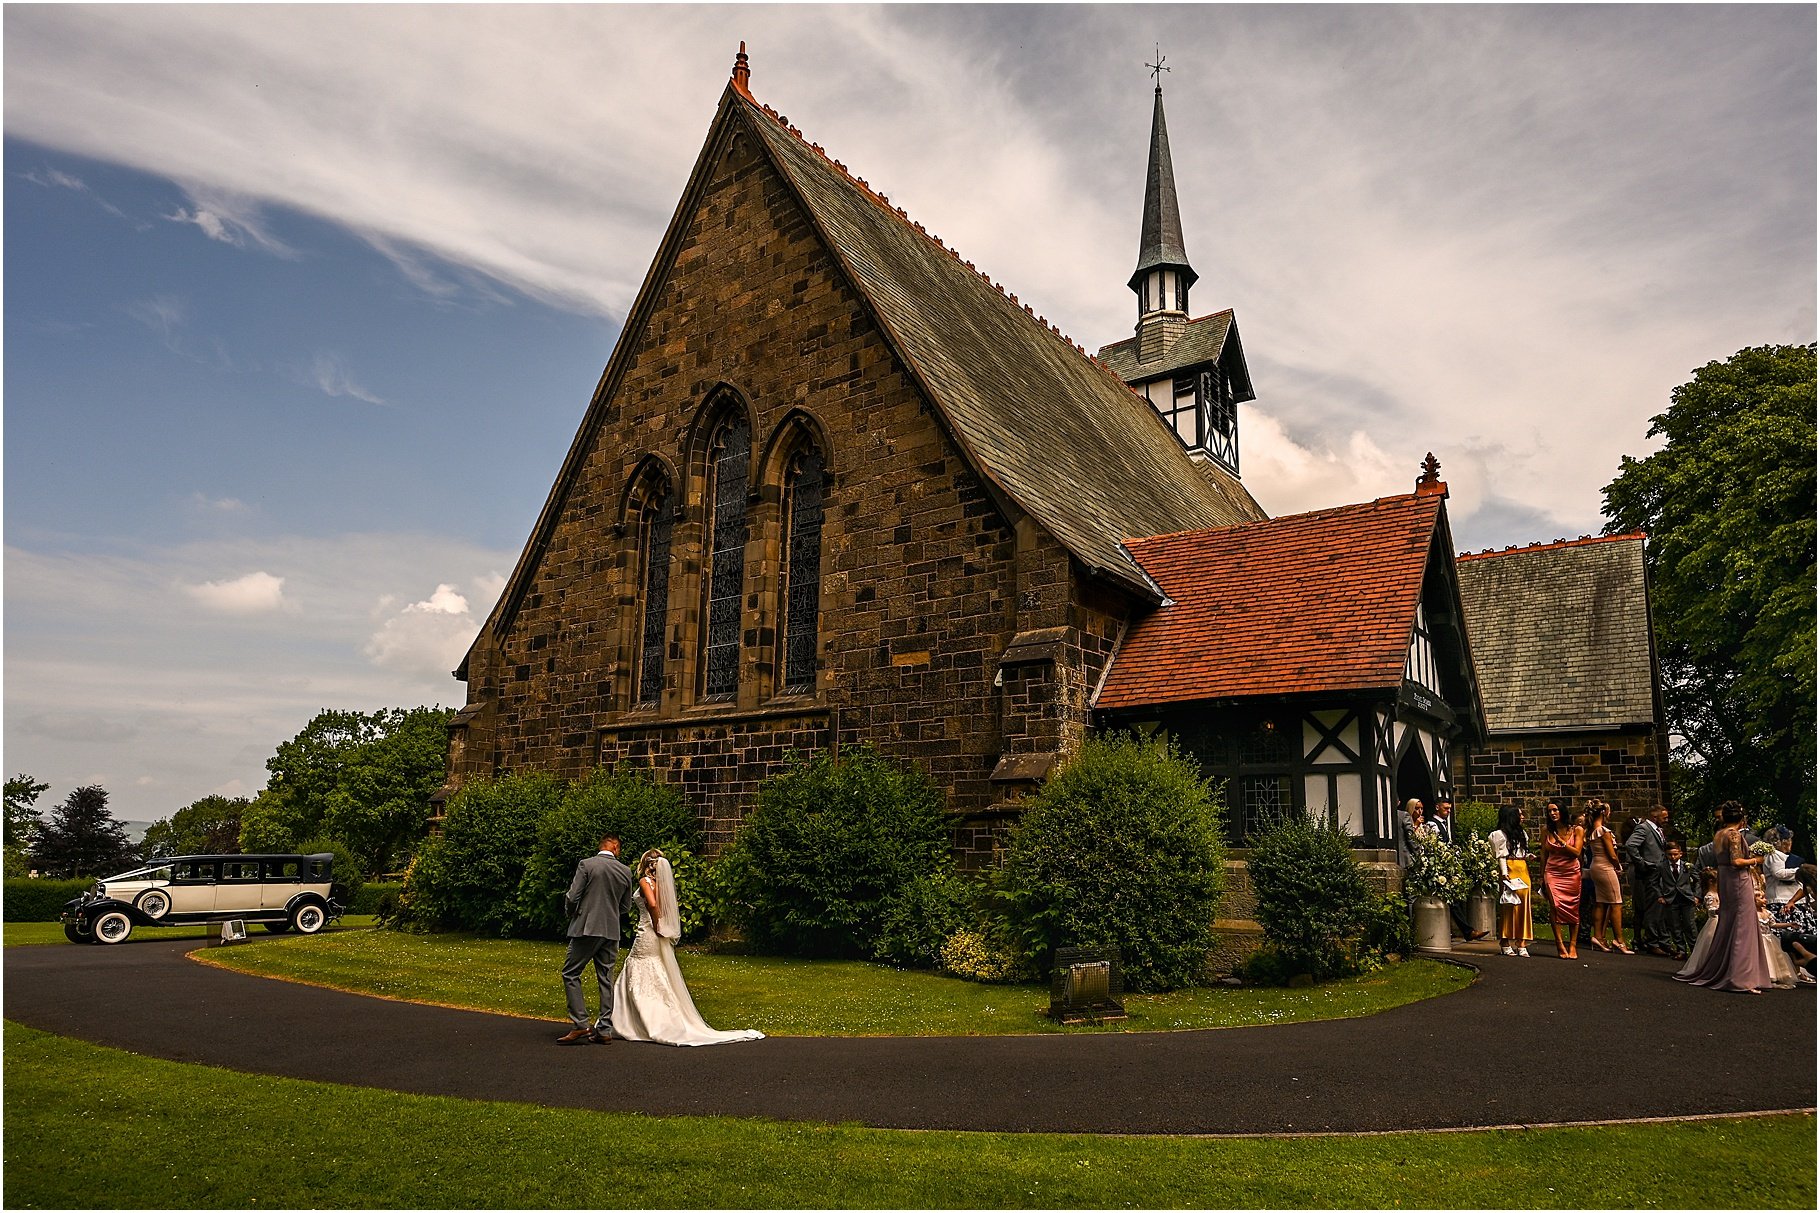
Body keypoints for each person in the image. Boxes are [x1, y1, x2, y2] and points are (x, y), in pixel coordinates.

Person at [611, 849, 765, 1046]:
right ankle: (648, 1018)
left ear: (645, 863)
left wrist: (657, 925)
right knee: (655, 970)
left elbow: (652, 904)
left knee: (639, 966)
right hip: (655, 933)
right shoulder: (659, 884)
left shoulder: (644, 882)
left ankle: (633, 1021)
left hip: (648, 932)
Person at [1675, 801, 1771, 994]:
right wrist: (1756, 860)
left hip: (1725, 879)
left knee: (1729, 923)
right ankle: (1739, 977)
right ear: (1742, 819)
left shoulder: (1719, 834)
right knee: (1742, 925)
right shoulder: (1734, 834)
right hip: (1737, 880)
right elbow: (1736, 861)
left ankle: (1730, 970)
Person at [558, 833, 640, 1044]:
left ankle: (581, 1024)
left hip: (587, 928)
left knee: (570, 972)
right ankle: (603, 1029)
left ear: (604, 846)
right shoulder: (625, 871)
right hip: (611, 930)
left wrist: (572, 913)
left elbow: (572, 896)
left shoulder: (587, 865)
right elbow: (625, 906)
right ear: (615, 847)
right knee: (606, 978)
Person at [1585, 802, 1632, 953]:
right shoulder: (1603, 831)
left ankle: (1598, 936)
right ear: (1604, 812)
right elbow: (1611, 854)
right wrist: (1618, 866)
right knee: (1616, 903)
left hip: (1595, 867)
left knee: (1601, 902)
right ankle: (1619, 941)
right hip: (1605, 867)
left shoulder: (1592, 831)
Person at [1624, 804, 1671, 955]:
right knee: (1652, 907)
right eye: (1664, 817)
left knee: (1659, 907)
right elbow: (1631, 845)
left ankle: (1662, 941)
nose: (1666, 820)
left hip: (1658, 874)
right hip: (1649, 874)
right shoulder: (1644, 828)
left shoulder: (1658, 830)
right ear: (1654, 816)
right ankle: (1652, 942)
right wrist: (1643, 863)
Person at [1539, 801, 1583, 959]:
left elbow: (1576, 852)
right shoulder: (1546, 830)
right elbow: (1544, 854)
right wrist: (1542, 875)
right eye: (1550, 811)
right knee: (1555, 906)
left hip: (1571, 872)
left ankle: (1573, 944)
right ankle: (1559, 943)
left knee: (1573, 908)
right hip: (1553, 872)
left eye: (1555, 810)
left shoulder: (1577, 830)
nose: (1552, 813)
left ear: (1562, 811)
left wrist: (1561, 842)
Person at [1489, 804, 1534, 957]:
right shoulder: (1499, 835)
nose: (1522, 817)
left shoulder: (1521, 833)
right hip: (1510, 869)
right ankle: (1505, 940)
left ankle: (1522, 941)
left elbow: (1523, 851)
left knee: (1524, 906)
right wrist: (1504, 872)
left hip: (1522, 868)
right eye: (1519, 814)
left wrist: (1529, 857)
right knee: (1509, 905)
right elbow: (1501, 855)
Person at [1651, 837, 1698, 959]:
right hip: (1670, 899)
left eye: (1675, 854)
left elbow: (1698, 880)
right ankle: (1681, 950)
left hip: (1686, 898)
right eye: (1669, 855)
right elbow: (1654, 882)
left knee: (1689, 925)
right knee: (1674, 926)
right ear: (1666, 855)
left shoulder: (1687, 866)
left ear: (1680, 853)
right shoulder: (1662, 867)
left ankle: (1695, 950)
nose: (1672, 857)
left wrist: (1697, 896)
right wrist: (1660, 896)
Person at [1761, 826, 1799, 908]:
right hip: (1780, 899)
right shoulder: (1774, 855)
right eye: (1789, 839)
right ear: (1783, 842)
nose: (1791, 842)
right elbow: (1778, 873)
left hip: (1792, 899)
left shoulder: (1785, 856)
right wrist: (1800, 872)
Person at [1395, 798, 1431, 869]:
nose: (1420, 811)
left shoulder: (1424, 826)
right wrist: (1415, 825)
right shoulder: (1405, 817)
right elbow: (1410, 837)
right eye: (1417, 808)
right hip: (1409, 857)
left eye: (1422, 809)